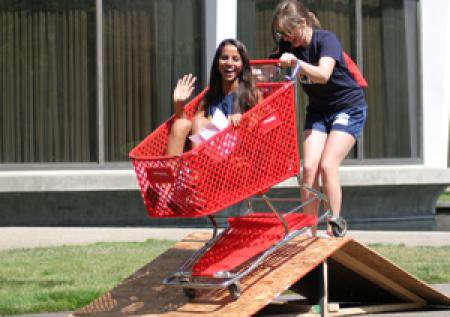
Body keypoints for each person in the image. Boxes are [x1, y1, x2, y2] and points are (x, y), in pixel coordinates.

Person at [271, 0, 368, 236]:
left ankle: (334, 224)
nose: (286, 38)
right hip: (319, 112)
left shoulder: (325, 40)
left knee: (327, 165)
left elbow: (324, 74)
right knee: (309, 168)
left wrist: (297, 63)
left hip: (348, 108)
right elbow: (270, 71)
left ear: (302, 23)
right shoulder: (288, 47)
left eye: (289, 32)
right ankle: (309, 229)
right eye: (281, 34)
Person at [166, 38, 262, 156]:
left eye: (235, 59)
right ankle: (169, 172)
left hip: (234, 152)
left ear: (242, 65)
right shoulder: (210, 96)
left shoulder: (251, 94)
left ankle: (195, 167)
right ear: (217, 63)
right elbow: (192, 132)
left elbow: (259, 129)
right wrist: (179, 103)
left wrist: (242, 120)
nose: (229, 63)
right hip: (209, 149)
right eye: (224, 58)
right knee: (180, 125)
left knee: (200, 122)